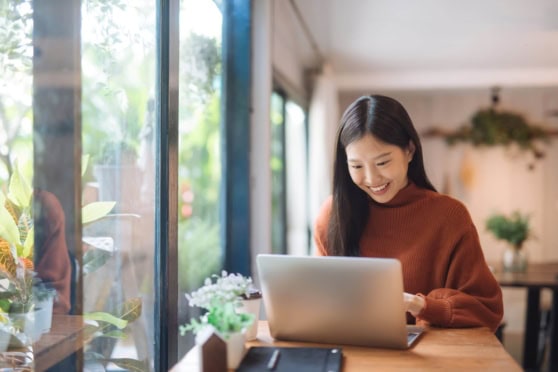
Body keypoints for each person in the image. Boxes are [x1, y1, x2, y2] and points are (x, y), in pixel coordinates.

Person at [313, 95, 503, 332]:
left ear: (410, 150)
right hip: (348, 351)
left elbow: (488, 310)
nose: (372, 179)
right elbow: (322, 301)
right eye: (357, 166)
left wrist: (422, 305)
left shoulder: (449, 216)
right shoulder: (332, 214)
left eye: (382, 162)